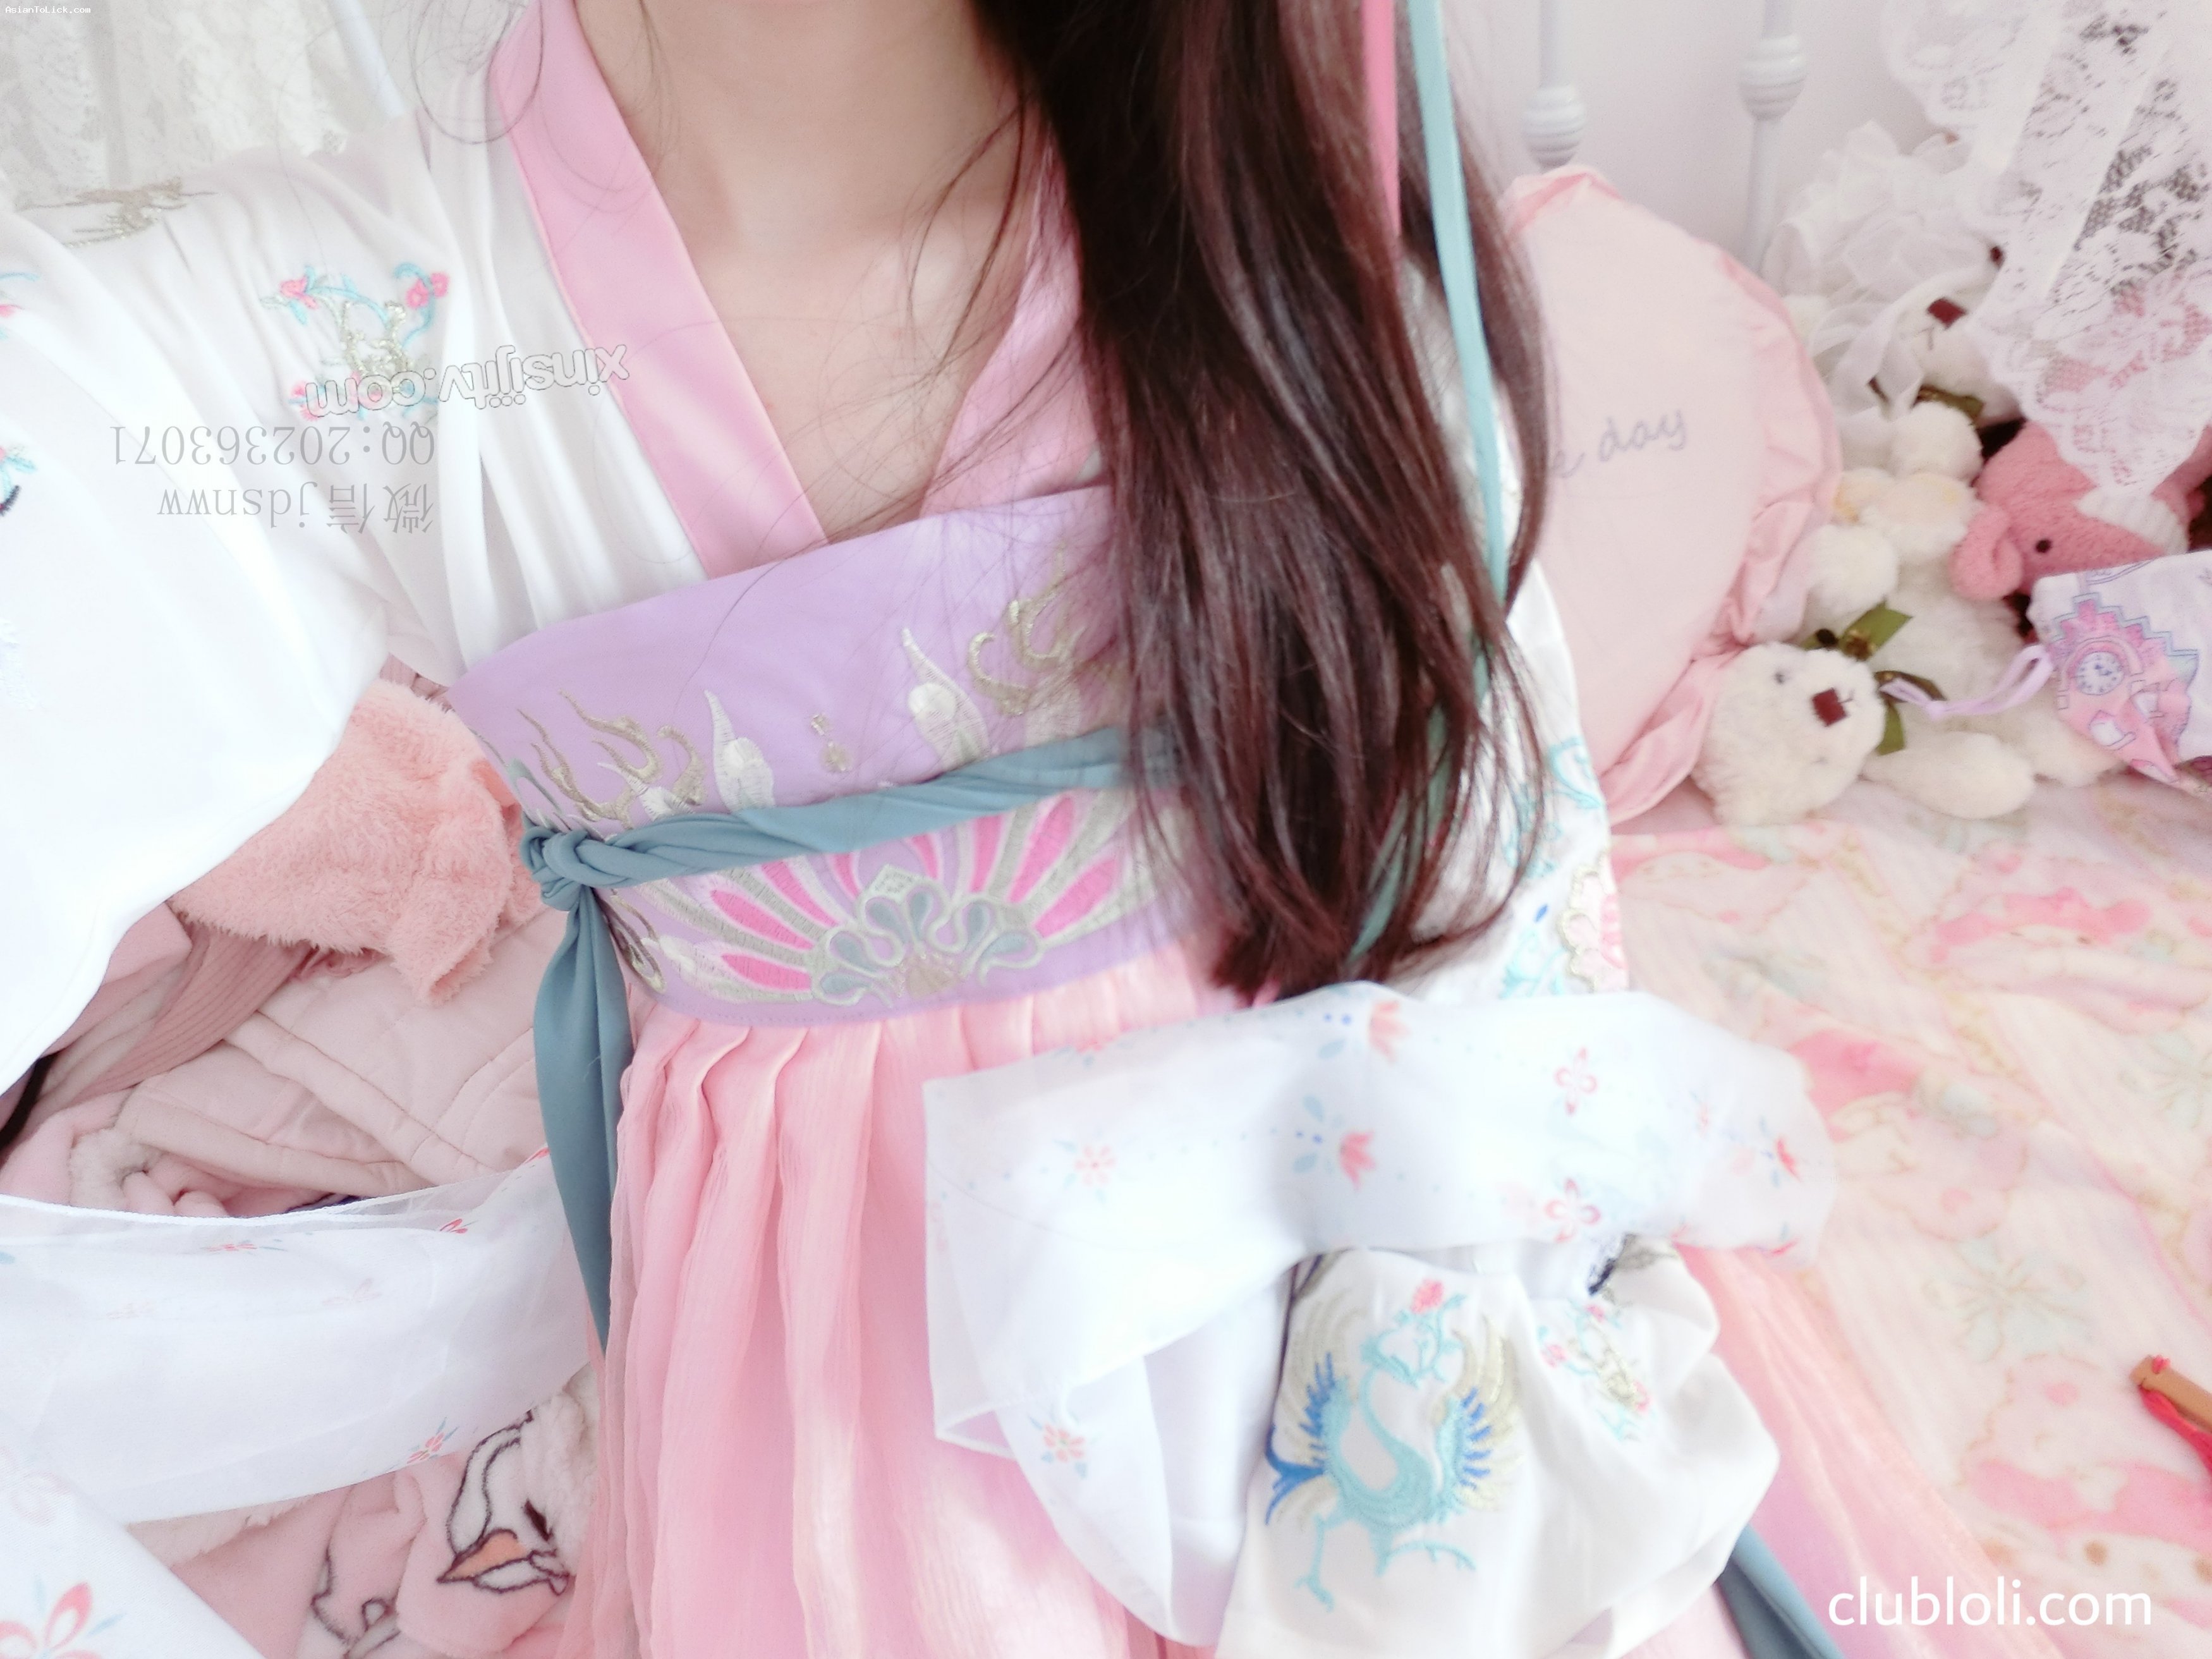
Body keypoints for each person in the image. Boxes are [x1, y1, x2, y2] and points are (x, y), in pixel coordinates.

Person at [0, 3, 1835, 1655]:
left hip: (1342, 1339)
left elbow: (1486, 888)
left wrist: (1438, 1460)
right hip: (818, 1375)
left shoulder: (1275, 208)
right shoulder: (320, 324)